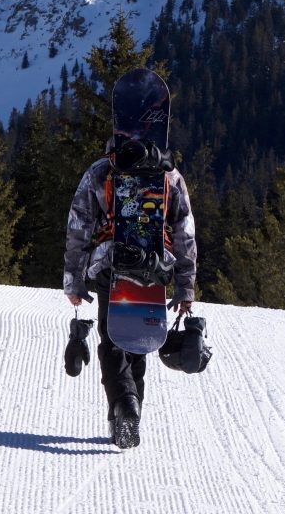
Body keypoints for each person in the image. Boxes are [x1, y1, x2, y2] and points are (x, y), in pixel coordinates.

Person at [63, 135, 197, 444]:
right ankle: (127, 412)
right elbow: (184, 230)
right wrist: (184, 285)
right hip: (156, 264)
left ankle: (124, 405)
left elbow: (78, 226)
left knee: (113, 339)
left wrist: (74, 279)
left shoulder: (100, 172)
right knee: (139, 336)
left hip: (112, 262)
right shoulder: (169, 174)